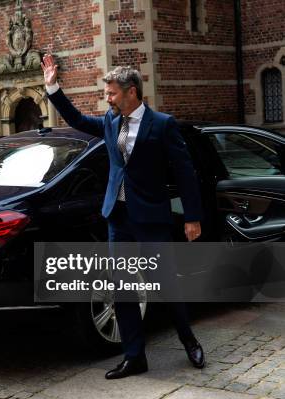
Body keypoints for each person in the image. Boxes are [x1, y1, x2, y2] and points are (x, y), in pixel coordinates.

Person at [41, 54, 205, 379]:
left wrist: (192, 217)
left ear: (132, 92)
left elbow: (186, 174)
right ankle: (134, 357)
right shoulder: (110, 122)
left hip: (152, 220)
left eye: (112, 93)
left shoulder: (163, 125)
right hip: (118, 219)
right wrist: (53, 88)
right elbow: (75, 120)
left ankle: (189, 341)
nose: (107, 98)